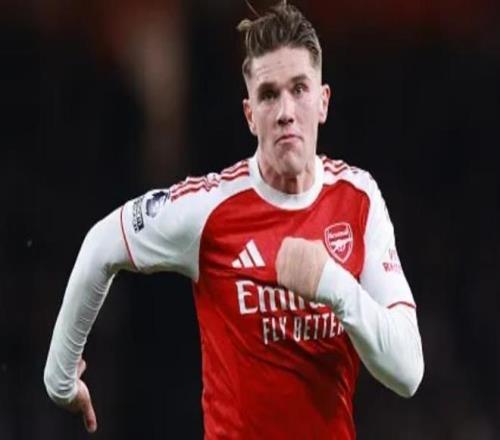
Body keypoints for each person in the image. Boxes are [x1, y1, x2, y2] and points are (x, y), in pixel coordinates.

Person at [44, 2, 424, 438]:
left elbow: (408, 372)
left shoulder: (358, 199)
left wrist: (334, 286)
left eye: (299, 89)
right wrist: (60, 378)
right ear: (250, 115)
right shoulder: (209, 208)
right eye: (269, 94)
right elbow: (101, 244)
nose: (285, 111)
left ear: (323, 102)